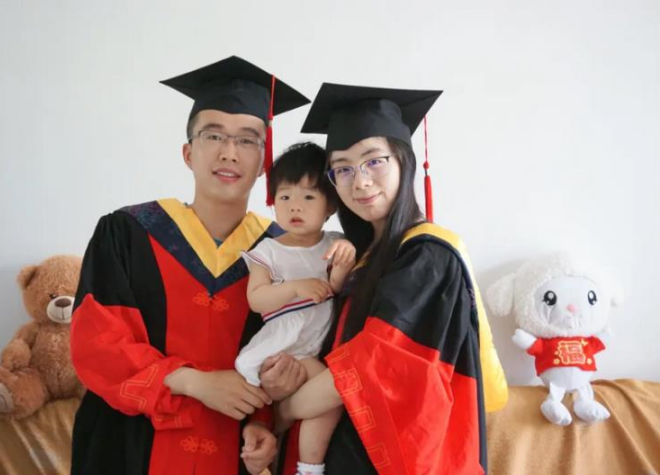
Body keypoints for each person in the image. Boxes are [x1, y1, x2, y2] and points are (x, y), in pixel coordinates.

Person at [69, 56, 310, 475]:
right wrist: (193, 381)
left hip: (232, 451)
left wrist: (264, 422)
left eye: (248, 140)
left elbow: (290, 358)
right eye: (213, 135)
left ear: (264, 162)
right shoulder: (127, 233)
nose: (229, 152)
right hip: (129, 448)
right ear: (188, 152)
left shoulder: (286, 254)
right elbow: (96, 343)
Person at [274, 83, 509, 474]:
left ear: (404, 161)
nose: (360, 181)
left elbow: (370, 362)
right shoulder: (359, 257)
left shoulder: (427, 256)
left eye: (374, 161)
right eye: (343, 169)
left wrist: (285, 411)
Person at [235, 142, 355, 475]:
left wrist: (344, 261)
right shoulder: (269, 251)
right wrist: (294, 287)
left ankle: (306, 466)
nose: (295, 206)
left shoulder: (334, 242)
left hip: (314, 345)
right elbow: (256, 299)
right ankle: (309, 467)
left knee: (322, 403)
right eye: (285, 197)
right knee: (332, 393)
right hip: (285, 347)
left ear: (330, 204)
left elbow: (335, 288)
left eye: (308, 197)